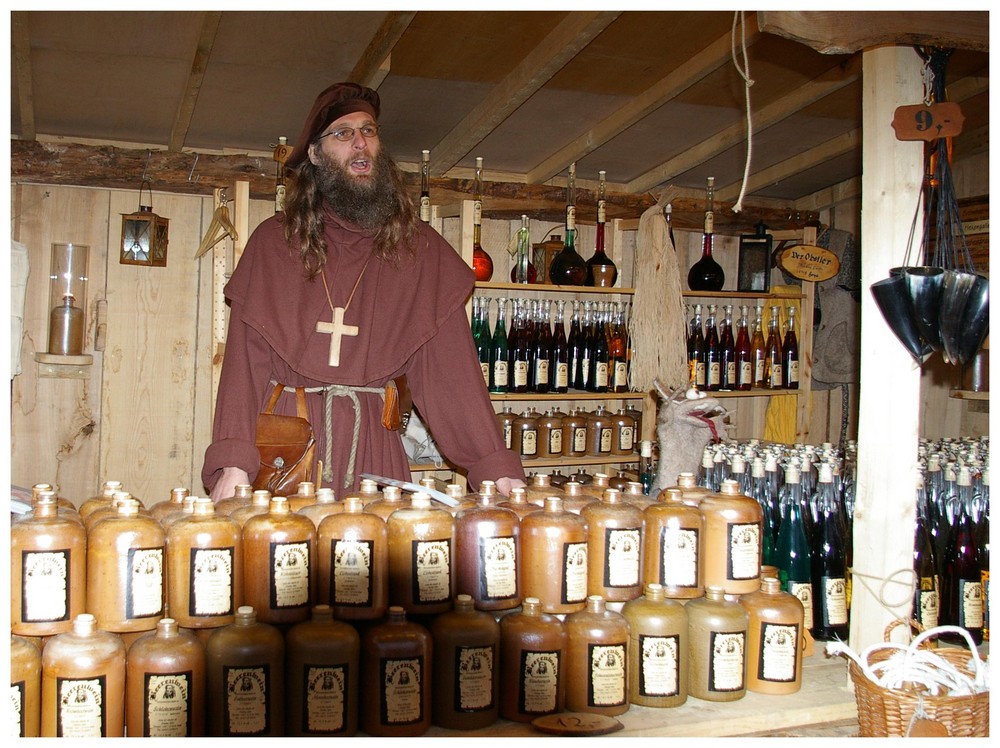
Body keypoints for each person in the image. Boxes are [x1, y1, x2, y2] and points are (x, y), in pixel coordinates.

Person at [202, 82, 525, 500]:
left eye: (368, 131)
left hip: (374, 448)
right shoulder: (275, 244)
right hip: (288, 452)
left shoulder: (417, 252)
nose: (360, 142)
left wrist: (494, 466)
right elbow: (243, 367)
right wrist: (233, 462)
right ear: (315, 155)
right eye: (342, 133)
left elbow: (452, 374)